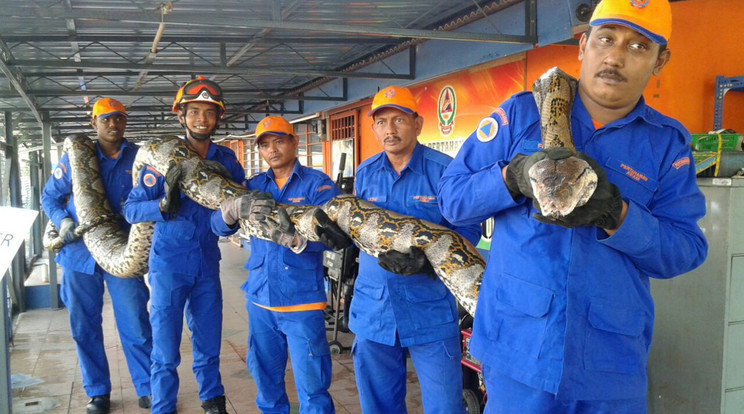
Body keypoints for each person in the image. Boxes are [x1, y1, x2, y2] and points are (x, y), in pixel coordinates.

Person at [437, 0, 709, 412]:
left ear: (660, 60)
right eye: (606, 39)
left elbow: (686, 249)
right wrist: (511, 178)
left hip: (609, 361)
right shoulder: (520, 114)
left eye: (639, 46)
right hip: (517, 351)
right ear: (583, 45)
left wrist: (616, 215)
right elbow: (453, 201)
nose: (616, 57)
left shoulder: (666, 143)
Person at [350, 86, 481, 414]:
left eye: (398, 120)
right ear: (374, 128)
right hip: (374, 309)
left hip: (429, 309)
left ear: (418, 123)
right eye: (381, 122)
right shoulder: (365, 172)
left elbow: (468, 229)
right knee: (378, 405)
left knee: (445, 406)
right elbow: (355, 228)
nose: (389, 130)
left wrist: (427, 262)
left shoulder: (445, 170)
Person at [212, 115, 349, 413]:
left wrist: (300, 242)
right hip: (260, 300)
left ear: (294, 141)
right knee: (266, 383)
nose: (272, 150)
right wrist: (229, 212)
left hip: (302, 302)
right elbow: (218, 227)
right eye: (264, 145)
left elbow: (338, 237)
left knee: (312, 387)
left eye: (278, 141)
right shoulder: (252, 186)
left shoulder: (318, 185)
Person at [124, 77, 245, 414]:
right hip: (168, 265)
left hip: (207, 261)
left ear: (218, 117)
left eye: (209, 112)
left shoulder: (228, 161)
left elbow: (229, 215)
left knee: (208, 337)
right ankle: (162, 405)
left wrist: (230, 219)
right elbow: (132, 210)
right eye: (194, 112)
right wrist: (161, 206)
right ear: (181, 116)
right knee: (164, 344)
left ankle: (212, 399)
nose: (201, 119)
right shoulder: (160, 160)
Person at [41, 97, 153, 414]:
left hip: (121, 251)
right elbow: (49, 195)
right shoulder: (76, 157)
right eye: (105, 119)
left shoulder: (138, 157)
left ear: (125, 122)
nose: (113, 124)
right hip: (79, 255)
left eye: (118, 118)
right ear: (94, 123)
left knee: (135, 322)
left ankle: (146, 388)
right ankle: (98, 392)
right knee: (84, 326)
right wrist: (63, 220)